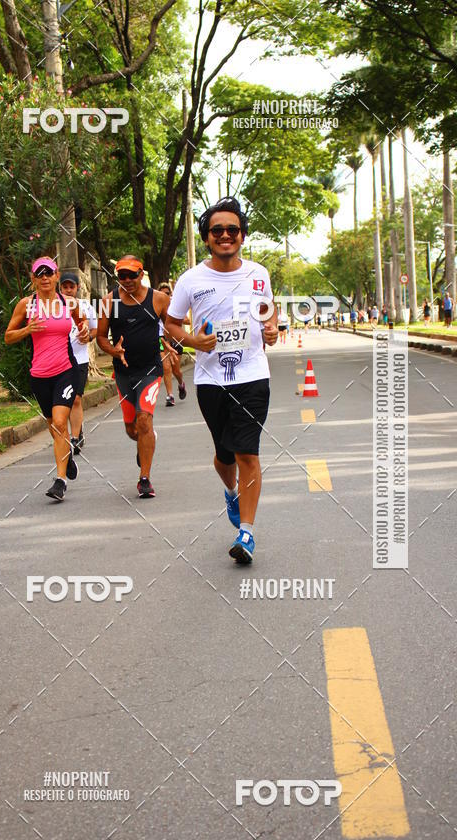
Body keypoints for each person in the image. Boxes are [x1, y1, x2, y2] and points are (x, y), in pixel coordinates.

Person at [165, 196, 278, 565]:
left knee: (247, 452)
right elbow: (170, 322)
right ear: (207, 236)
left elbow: (266, 313)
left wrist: (273, 328)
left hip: (253, 376)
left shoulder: (259, 273)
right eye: (217, 230)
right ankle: (231, 491)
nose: (225, 235)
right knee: (223, 455)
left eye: (232, 229)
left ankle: (246, 532)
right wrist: (193, 341)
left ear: (243, 235)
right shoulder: (191, 279)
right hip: (210, 380)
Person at [5, 256, 87, 501]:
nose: (44, 278)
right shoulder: (25, 305)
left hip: (66, 370)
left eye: (48, 273)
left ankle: (60, 481)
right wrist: (27, 329)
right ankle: (67, 456)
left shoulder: (69, 303)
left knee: (61, 423)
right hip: (39, 375)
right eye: (39, 274)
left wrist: (84, 333)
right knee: (54, 427)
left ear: (56, 276)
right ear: (33, 279)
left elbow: (83, 327)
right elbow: (8, 336)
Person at [96, 255, 169, 498]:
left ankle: (144, 479)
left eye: (131, 275)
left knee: (144, 420)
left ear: (141, 274)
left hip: (150, 371)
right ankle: (144, 443)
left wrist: (170, 342)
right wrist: (113, 351)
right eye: (122, 276)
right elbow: (101, 337)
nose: (127, 280)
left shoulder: (158, 298)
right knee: (132, 429)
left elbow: (172, 326)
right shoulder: (109, 302)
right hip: (124, 372)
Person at [60, 272, 98, 451]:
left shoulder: (85, 306)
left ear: (77, 288)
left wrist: (88, 337)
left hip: (80, 359)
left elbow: (95, 329)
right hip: (58, 360)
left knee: (75, 399)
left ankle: (75, 438)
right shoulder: (53, 307)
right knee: (62, 402)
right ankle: (73, 432)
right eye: (65, 287)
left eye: (71, 287)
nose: (68, 290)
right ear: (60, 288)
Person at [157, 282, 187, 406]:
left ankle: (181, 383)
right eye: (162, 293)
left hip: (174, 338)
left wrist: (174, 317)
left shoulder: (174, 304)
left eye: (168, 293)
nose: (165, 296)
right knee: (166, 367)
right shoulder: (155, 304)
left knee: (176, 369)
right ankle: (170, 395)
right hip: (160, 337)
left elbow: (187, 320)